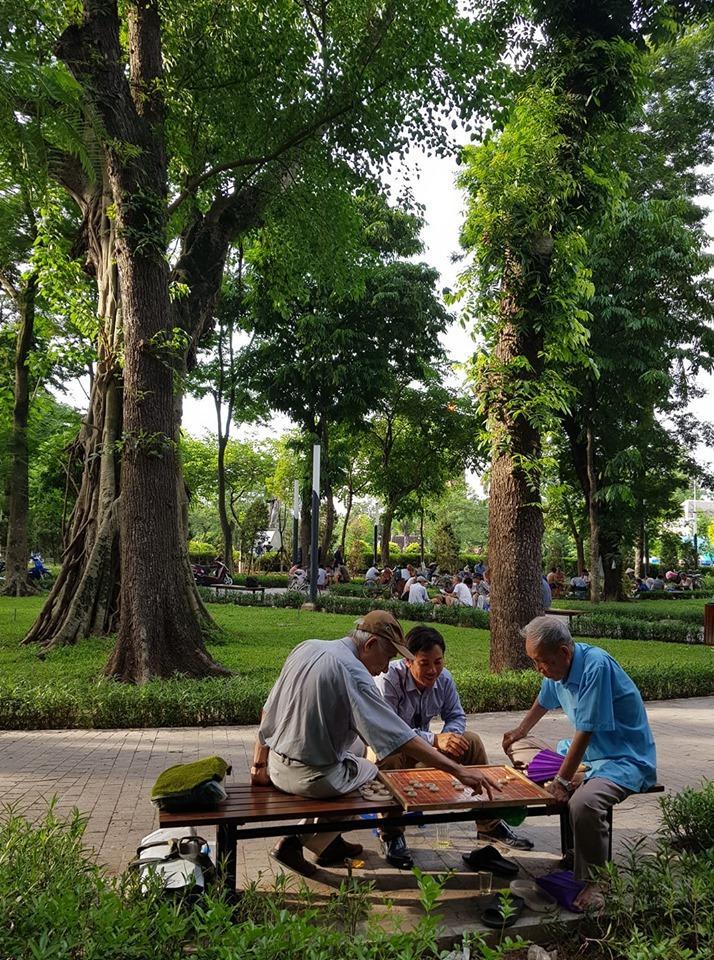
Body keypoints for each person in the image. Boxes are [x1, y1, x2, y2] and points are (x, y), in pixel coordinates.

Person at [251, 611, 500, 876]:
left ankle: (327, 842)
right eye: (388, 657)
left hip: (277, 766)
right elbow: (398, 738)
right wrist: (459, 771)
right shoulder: (355, 673)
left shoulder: (307, 647)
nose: (385, 667)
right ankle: (296, 841)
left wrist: (259, 765)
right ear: (370, 645)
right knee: (377, 776)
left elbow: (268, 711)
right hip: (310, 778)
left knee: (358, 760)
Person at [502, 616, 656, 912]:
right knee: (520, 749)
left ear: (564, 652)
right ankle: (573, 779)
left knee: (583, 803)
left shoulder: (595, 666)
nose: (539, 669)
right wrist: (520, 732)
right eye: (534, 662)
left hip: (620, 759)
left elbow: (586, 732)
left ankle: (597, 880)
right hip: (585, 757)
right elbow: (544, 700)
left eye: (542, 661)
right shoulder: (556, 668)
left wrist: (561, 781)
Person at [375, 626, 533, 867]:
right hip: (395, 748)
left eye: (438, 662)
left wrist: (451, 736)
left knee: (472, 742)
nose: (433, 670)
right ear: (408, 661)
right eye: (424, 663)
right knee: (391, 759)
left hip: (426, 748)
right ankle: (392, 834)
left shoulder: (444, 678)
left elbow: (456, 715)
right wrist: (436, 740)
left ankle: (488, 823)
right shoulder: (390, 680)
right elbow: (390, 730)